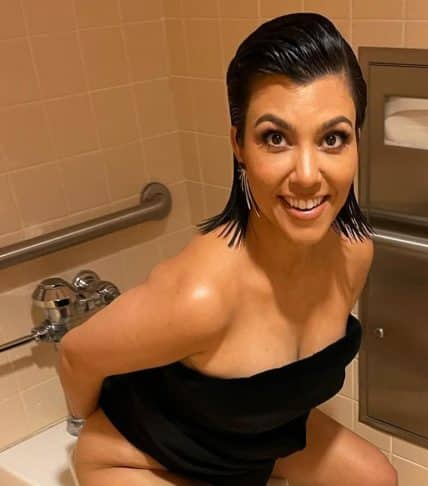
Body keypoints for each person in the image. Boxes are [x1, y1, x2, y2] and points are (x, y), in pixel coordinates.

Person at [58, 12, 397, 486]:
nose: (306, 174)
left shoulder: (354, 253)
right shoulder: (201, 295)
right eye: (275, 138)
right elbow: (75, 354)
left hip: (255, 443)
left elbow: (279, 377)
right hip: (141, 460)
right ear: (239, 144)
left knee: (377, 479)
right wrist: (81, 425)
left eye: (332, 138)